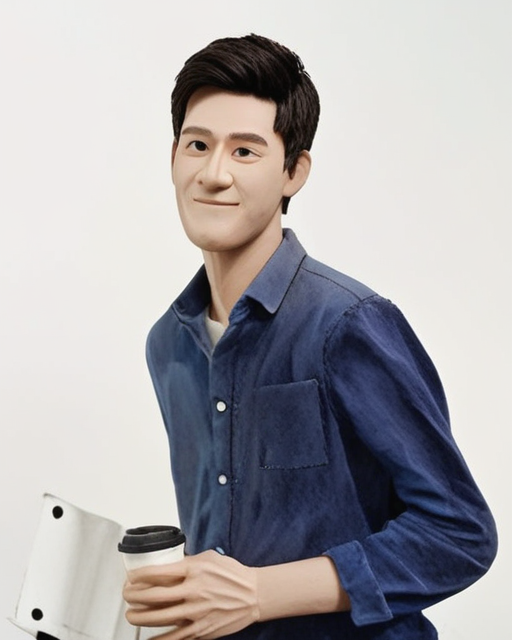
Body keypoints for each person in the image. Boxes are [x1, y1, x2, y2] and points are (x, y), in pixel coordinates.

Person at [123, 34, 497, 639]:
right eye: (198, 145)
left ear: (293, 172)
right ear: (173, 157)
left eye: (245, 151)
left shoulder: (348, 324)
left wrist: (259, 594)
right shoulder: (168, 345)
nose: (213, 173)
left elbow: (459, 533)